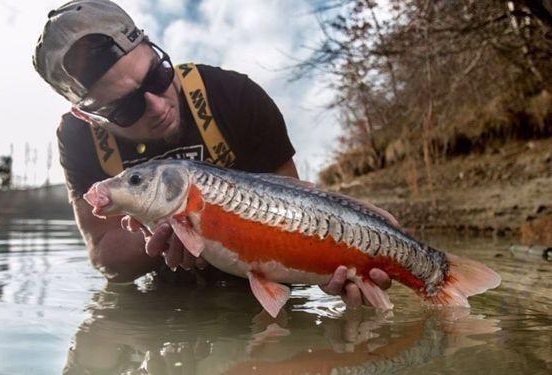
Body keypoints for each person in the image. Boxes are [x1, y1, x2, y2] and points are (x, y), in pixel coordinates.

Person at [33, 0, 391, 308]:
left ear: (151, 44)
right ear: (87, 114)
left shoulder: (235, 96)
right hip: (162, 300)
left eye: (157, 75)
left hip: (252, 288)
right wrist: (161, 229)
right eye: (126, 108)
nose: (157, 106)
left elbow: (296, 211)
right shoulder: (78, 137)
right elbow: (104, 254)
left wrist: (347, 245)